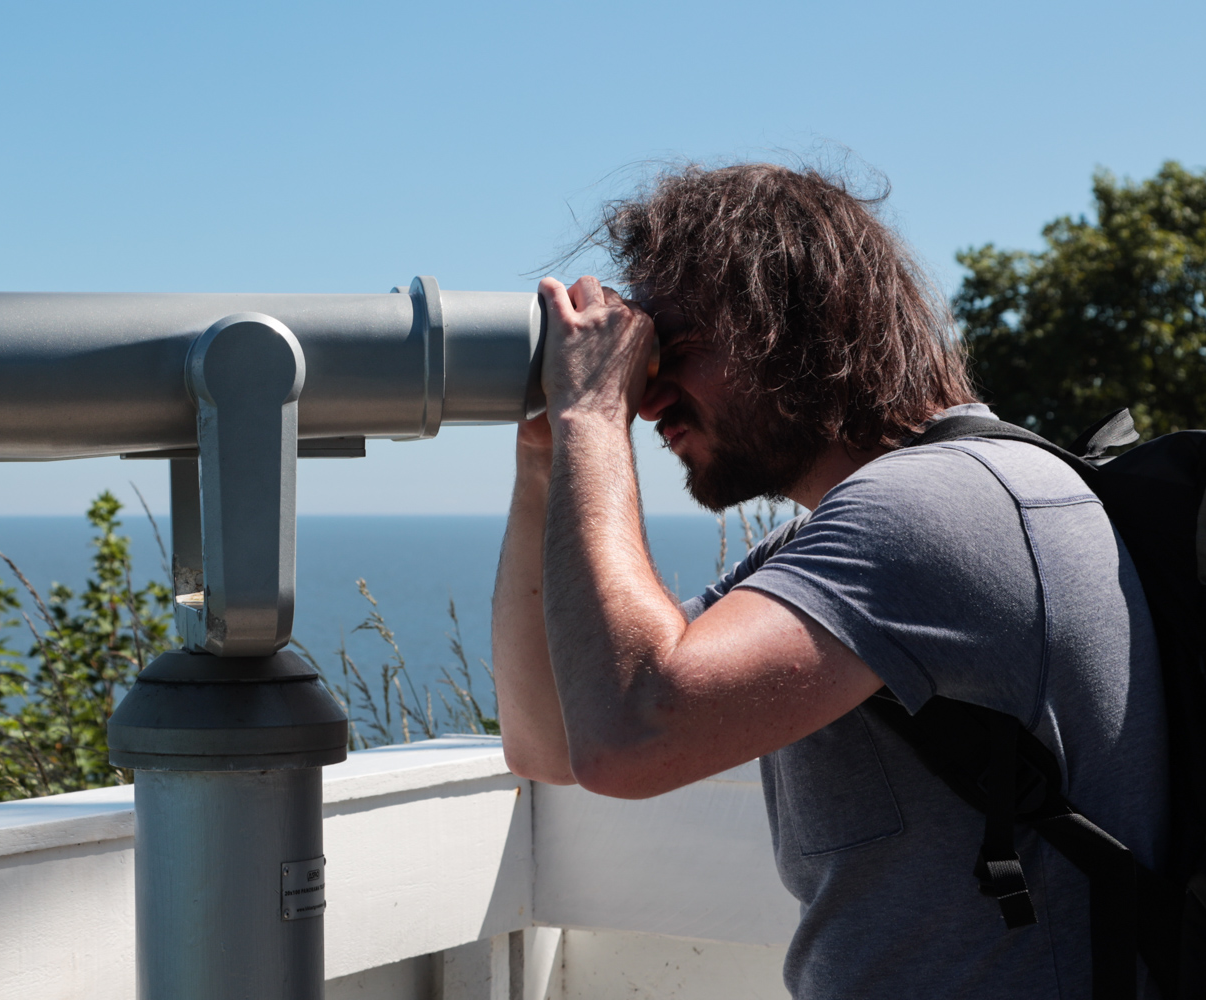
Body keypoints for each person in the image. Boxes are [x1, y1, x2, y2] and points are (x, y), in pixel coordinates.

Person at [490, 162, 1168, 999]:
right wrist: (544, 462)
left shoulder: (931, 513)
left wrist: (590, 415)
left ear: (795, 322)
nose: (649, 390)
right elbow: (551, 736)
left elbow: (629, 737)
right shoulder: (864, 529)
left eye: (676, 343)